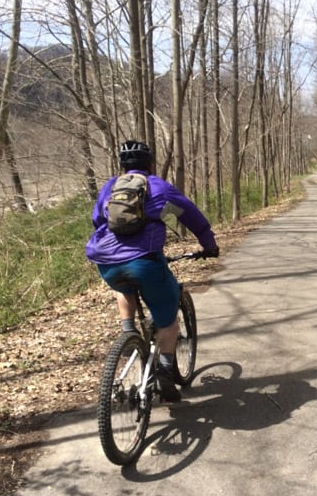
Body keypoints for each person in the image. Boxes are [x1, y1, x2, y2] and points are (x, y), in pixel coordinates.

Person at [86, 140, 219, 402]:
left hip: (106, 262)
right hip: (145, 262)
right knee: (168, 320)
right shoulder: (158, 187)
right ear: (150, 164)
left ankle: (129, 332)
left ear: (122, 166)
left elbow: (97, 220)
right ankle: (166, 372)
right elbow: (189, 216)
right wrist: (208, 244)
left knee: (123, 286)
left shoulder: (110, 187)